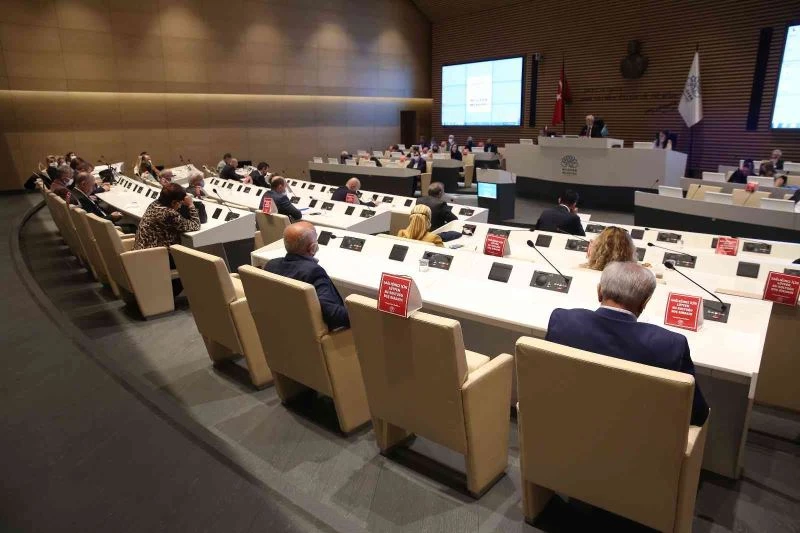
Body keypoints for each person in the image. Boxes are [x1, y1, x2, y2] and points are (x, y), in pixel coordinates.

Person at [546, 262, 710, 426]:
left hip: (563, 425)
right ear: (644, 302)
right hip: (636, 437)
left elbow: (546, 380)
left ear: (599, 291)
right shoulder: (670, 345)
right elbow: (697, 415)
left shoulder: (562, 321)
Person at [264, 222, 349, 330]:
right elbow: (331, 314)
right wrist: (359, 315)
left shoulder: (270, 265)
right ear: (313, 248)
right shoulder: (313, 272)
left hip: (279, 326)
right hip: (317, 334)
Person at [134, 183, 201, 296]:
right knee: (195, 263)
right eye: (180, 203)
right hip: (157, 257)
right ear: (173, 202)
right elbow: (195, 225)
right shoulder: (168, 213)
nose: (180, 205)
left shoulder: (154, 204)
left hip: (143, 254)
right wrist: (190, 205)